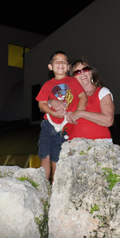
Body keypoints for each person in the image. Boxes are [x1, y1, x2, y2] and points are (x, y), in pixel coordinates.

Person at [36, 51, 87, 181]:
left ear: (68, 66)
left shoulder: (73, 82)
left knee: (57, 159)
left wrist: (76, 113)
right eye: (56, 61)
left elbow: (83, 96)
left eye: (64, 61)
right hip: (49, 124)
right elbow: (41, 104)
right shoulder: (47, 85)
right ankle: (43, 188)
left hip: (65, 126)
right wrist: (53, 112)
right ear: (50, 66)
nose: (60, 64)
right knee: (45, 157)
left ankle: (55, 190)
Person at [50, 58, 114, 140]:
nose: (82, 73)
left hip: (100, 144)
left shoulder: (102, 92)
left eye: (85, 69)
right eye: (77, 72)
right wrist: (51, 102)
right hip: (73, 144)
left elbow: (108, 121)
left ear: (90, 72)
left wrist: (80, 113)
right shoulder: (68, 96)